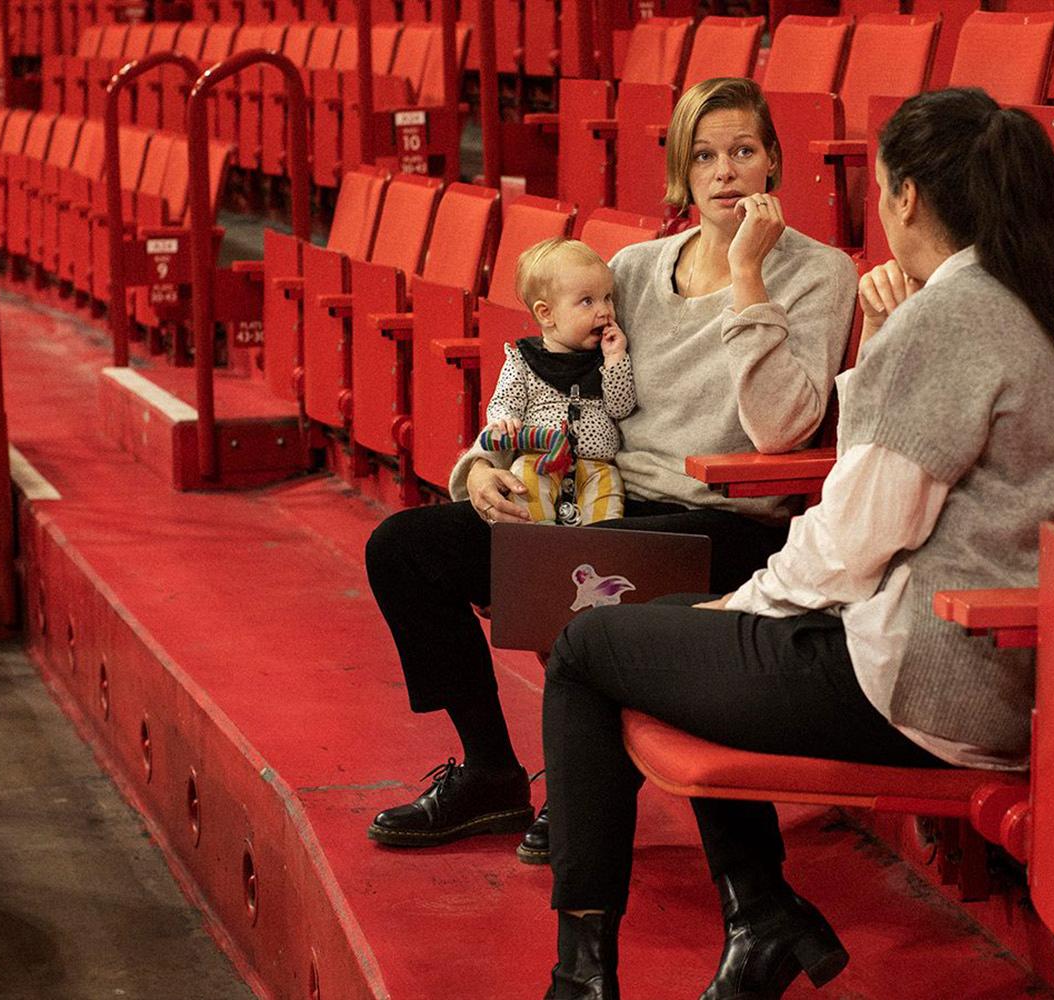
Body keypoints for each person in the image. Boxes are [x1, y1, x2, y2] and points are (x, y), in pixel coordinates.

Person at [538, 87, 1054, 1000]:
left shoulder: (958, 315)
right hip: (982, 666)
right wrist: (893, 337)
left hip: (919, 680)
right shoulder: (1041, 299)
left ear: (905, 200)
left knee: (589, 646)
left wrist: (742, 606)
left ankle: (585, 977)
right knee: (673, 640)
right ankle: (760, 918)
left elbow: (857, 535)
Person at [362, 77, 857, 860]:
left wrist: (750, 276)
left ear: (773, 165)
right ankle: (492, 771)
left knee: (585, 570)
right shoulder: (631, 269)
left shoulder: (818, 272)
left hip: (722, 521)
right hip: (600, 497)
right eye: (704, 156)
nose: (725, 171)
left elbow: (782, 427)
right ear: (681, 175)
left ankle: (587, 788)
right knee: (405, 548)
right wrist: (480, 468)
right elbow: (548, 377)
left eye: (743, 152)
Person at [480, 238, 634, 526]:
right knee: (524, 483)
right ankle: (538, 551)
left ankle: (596, 558)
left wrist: (615, 360)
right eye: (587, 301)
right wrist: (505, 420)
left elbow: (621, 408)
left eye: (607, 297)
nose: (604, 311)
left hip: (597, 465)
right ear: (546, 313)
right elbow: (504, 401)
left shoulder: (606, 356)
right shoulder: (523, 359)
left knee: (609, 495)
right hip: (540, 460)